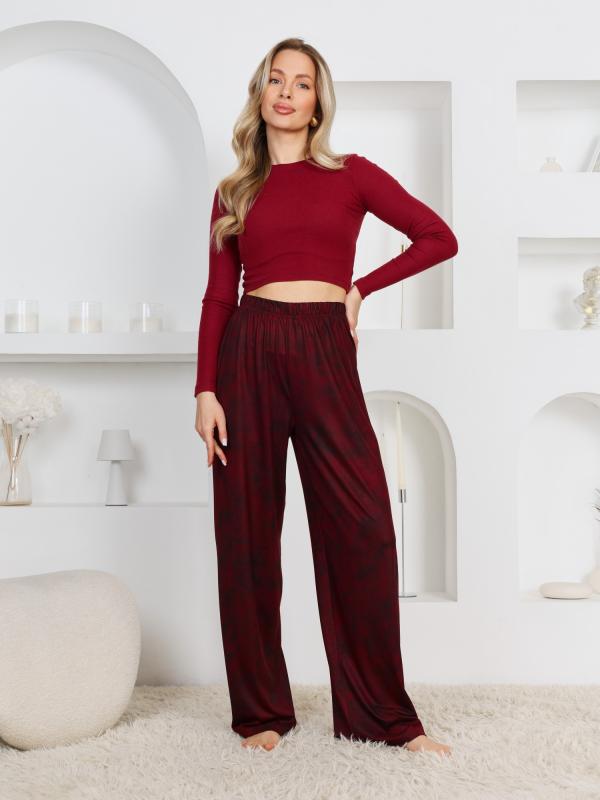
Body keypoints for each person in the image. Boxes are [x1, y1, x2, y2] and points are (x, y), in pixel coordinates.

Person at [194, 37, 458, 757]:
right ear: (260, 95)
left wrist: (361, 289)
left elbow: (438, 237)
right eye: (275, 80)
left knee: (362, 524)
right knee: (246, 532)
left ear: (317, 102)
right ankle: (260, 713)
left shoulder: (353, 175)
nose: (286, 92)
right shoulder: (234, 191)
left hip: (324, 346)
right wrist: (206, 389)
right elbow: (218, 296)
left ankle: (382, 716)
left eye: (301, 83)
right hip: (249, 347)